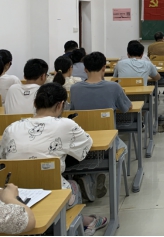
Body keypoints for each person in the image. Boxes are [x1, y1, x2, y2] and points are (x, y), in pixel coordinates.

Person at [0, 83, 107, 235]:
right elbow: (86, 145)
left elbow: (4, 159)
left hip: (13, 195)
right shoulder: (66, 124)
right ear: (60, 105)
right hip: (54, 195)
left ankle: (83, 221)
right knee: (73, 185)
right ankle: (79, 223)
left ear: (35, 103)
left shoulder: (12, 128)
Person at [70, 52, 131, 200]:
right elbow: (126, 108)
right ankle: (95, 178)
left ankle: (89, 177)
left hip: (81, 141)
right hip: (108, 144)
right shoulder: (114, 87)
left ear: (85, 69)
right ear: (104, 68)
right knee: (124, 146)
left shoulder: (74, 89)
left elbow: (72, 111)